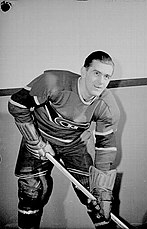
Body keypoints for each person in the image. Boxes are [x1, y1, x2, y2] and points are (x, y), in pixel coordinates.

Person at [8, 50, 120, 229]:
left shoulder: (107, 106)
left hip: (75, 145)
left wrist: (103, 190)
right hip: (40, 136)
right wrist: (35, 142)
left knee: (94, 198)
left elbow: (105, 147)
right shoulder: (53, 82)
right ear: (83, 71)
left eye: (106, 76)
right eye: (96, 73)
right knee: (31, 192)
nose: (101, 81)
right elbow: (17, 105)